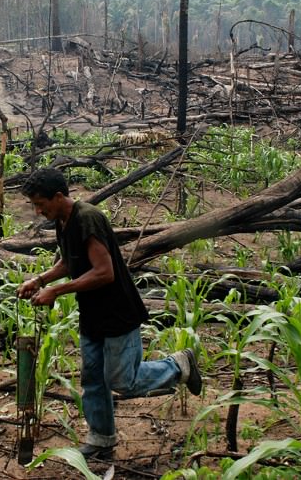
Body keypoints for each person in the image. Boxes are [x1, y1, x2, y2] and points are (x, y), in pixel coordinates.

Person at [16, 167, 202, 460]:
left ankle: (178, 365)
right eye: (35, 206)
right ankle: (102, 438)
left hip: (117, 312)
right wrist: (40, 281)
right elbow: (69, 262)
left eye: (41, 204)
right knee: (93, 380)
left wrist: (57, 291)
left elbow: (104, 273)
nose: (38, 212)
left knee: (123, 381)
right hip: (92, 313)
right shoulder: (62, 221)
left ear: (59, 196)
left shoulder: (88, 218)